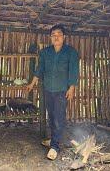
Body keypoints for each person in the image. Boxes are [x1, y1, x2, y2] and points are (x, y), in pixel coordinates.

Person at [26, 24, 79, 160]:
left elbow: (74, 70)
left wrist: (72, 87)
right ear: (50, 37)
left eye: (59, 34)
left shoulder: (71, 52)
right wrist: (32, 83)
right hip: (48, 89)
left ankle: (55, 146)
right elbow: (40, 69)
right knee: (51, 117)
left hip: (62, 90)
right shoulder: (45, 52)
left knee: (59, 118)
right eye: (53, 35)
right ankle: (53, 139)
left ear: (64, 37)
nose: (56, 37)